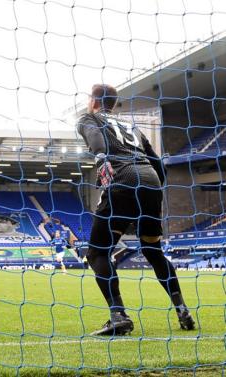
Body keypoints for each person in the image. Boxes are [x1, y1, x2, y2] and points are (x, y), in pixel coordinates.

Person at [77, 83, 195, 335]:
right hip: (150, 182)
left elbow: (96, 139)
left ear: (94, 101)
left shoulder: (89, 118)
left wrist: (102, 158)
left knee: (97, 254)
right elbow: (157, 162)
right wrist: (153, 193)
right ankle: (182, 308)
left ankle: (118, 315)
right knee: (153, 250)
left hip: (122, 180)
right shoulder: (132, 127)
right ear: (114, 103)